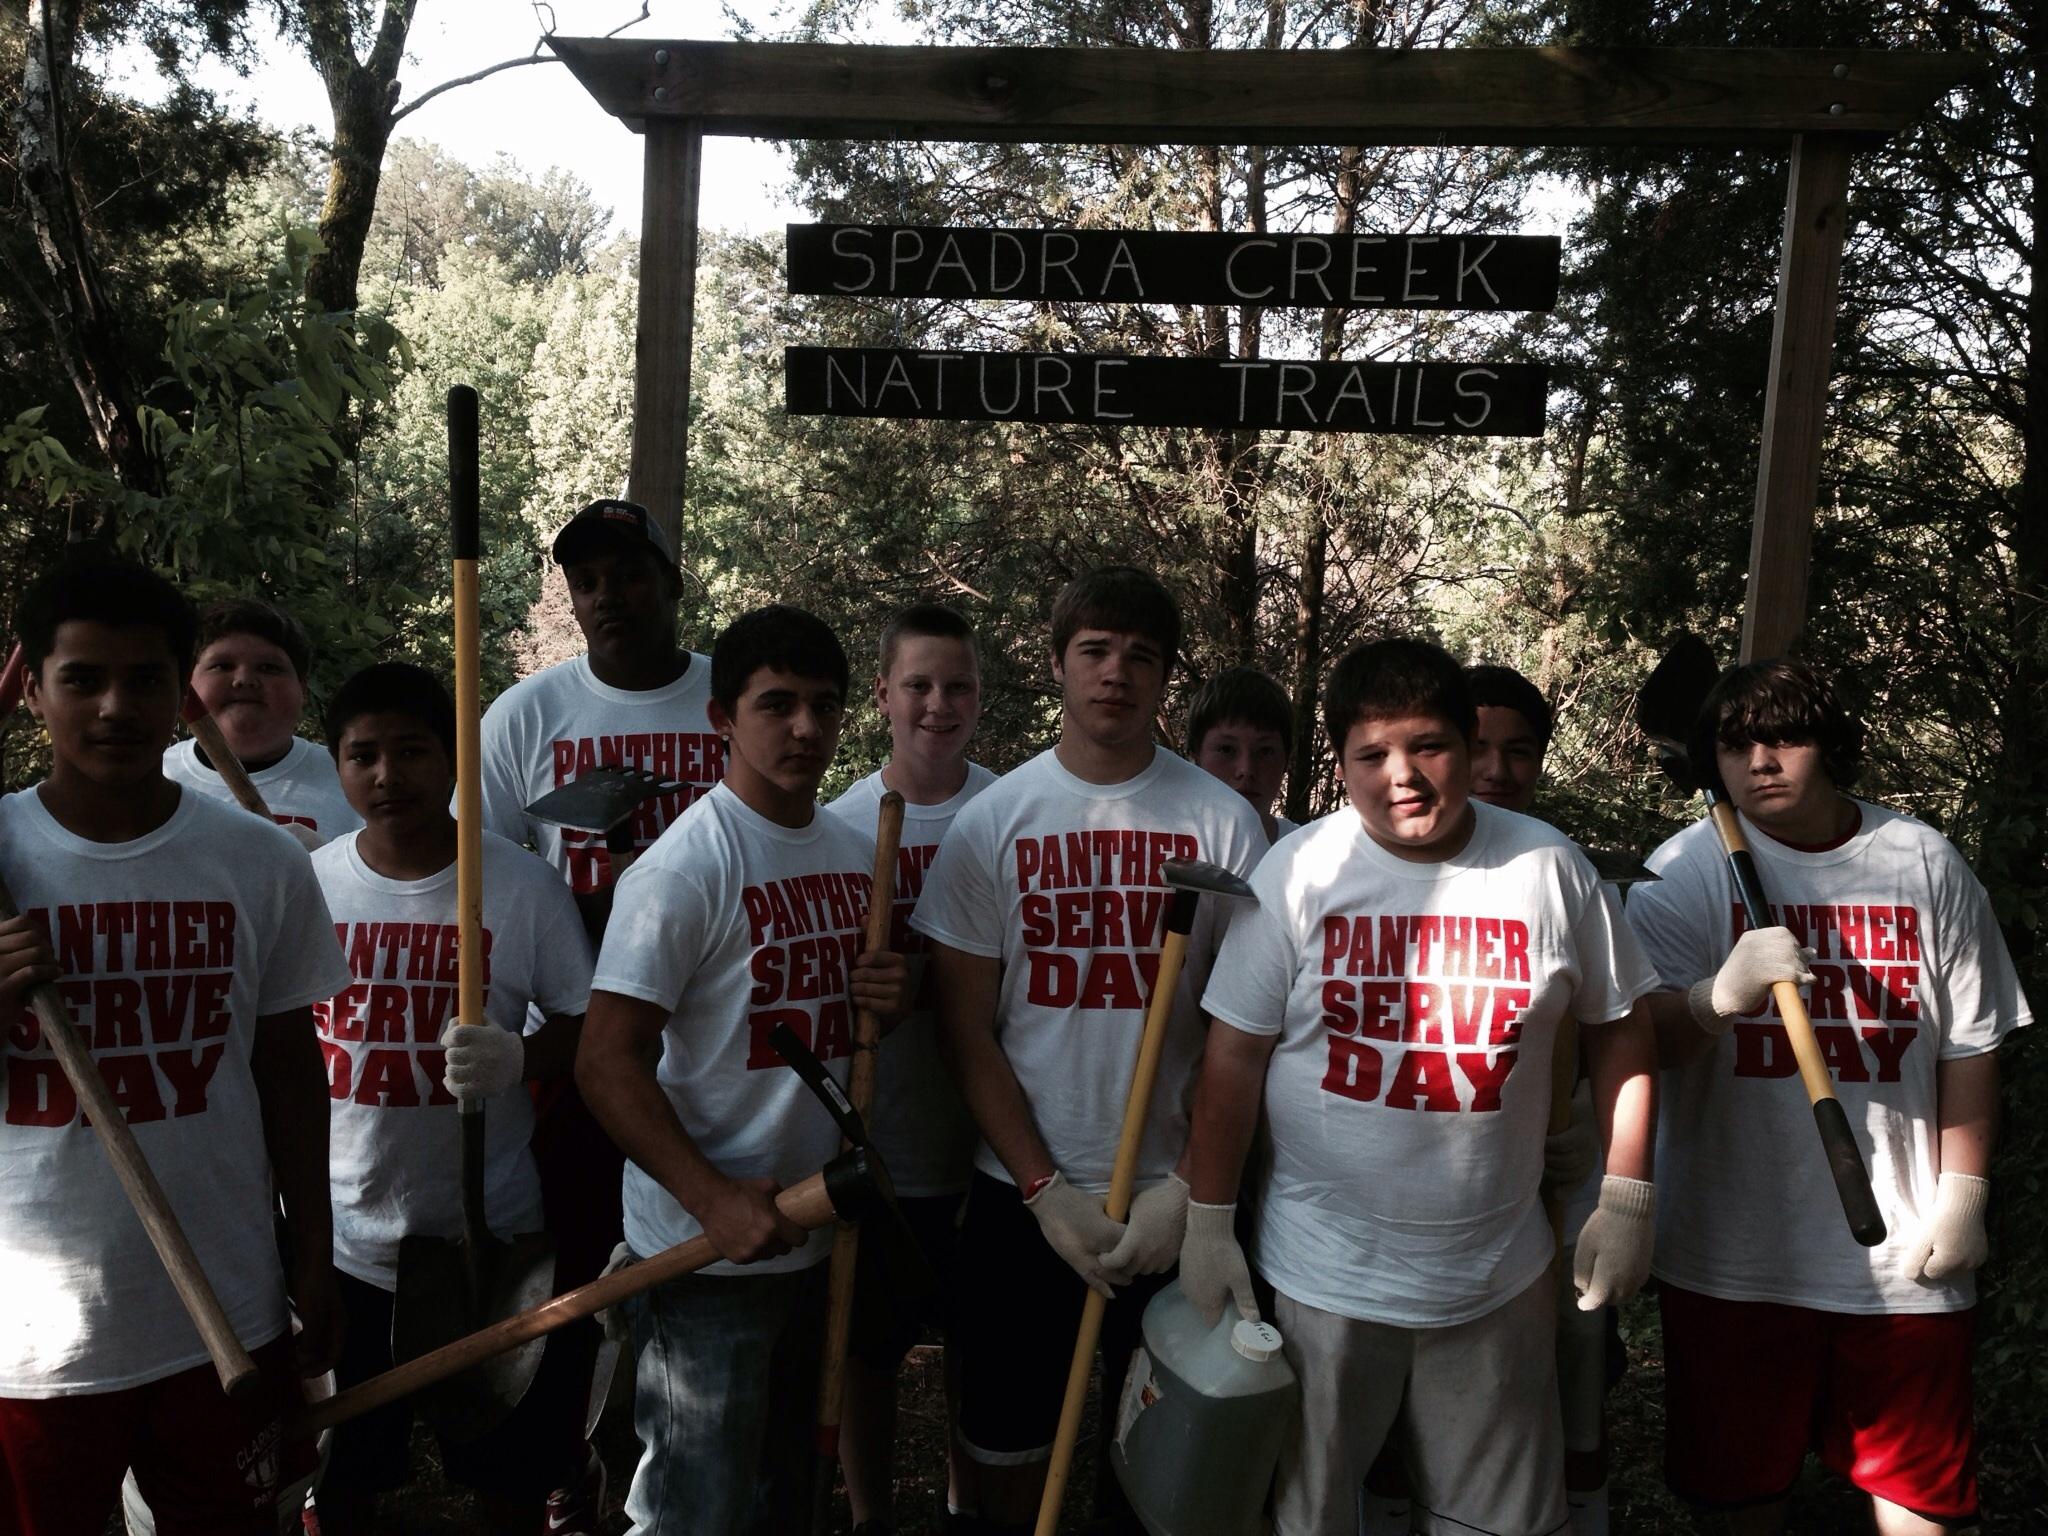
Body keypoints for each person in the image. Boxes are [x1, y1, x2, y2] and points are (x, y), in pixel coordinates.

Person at [1176, 637, 1661, 1536]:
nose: (1403, 777)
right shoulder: (1299, 874)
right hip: (1322, 1278)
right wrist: (1208, 1223)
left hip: (1497, 1278)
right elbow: (1233, 1057)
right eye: (1372, 756)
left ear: (1469, 744)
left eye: (1428, 747)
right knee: (1311, 1516)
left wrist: (1626, 1193)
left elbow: (1621, 1025)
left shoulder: (1550, 871)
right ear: (1343, 762)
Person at [1624, 658, 2030, 1536]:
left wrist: (1964, 1193)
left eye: (1784, 738)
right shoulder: (1686, 870)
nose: (1761, 762)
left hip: (1902, 1253)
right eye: (1736, 746)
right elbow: (1635, 1041)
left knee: (1921, 1503)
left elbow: (1971, 1039)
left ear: (1831, 744)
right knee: (1739, 1498)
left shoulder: (1922, 861)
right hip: (1732, 1253)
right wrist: (1710, 1000)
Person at [0, 552, 349, 1534]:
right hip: (34, 1340)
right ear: (31, 689)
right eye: (82, 679)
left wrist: (312, 1258)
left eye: (146, 679)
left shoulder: (259, 859)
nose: (116, 706)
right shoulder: (2, 856)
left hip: (225, 1308)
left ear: (182, 693)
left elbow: (290, 1072)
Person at [912, 566, 1267, 1533]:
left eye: (1141, 657)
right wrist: (1042, 1190)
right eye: (1096, 651)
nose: (1116, 673)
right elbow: (964, 1027)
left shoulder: (1224, 824)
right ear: (1059, 662)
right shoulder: (996, 822)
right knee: (1008, 1451)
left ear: (1165, 680)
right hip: (1023, 1199)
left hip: (1175, 1201)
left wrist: (1191, 1189)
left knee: (1160, 1462)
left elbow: (1249, 1041)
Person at [575, 604, 910, 1536]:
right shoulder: (686, 870)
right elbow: (606, 1064)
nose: (804, 727)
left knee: (784, 1496)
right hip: (705, 1258)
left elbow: (860, 1017)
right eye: (776, 705)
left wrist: (897, 991)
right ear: (723, 718)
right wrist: (711, 1197)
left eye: (824, 705)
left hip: (818, 1237)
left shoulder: (853, 852)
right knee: (696, 1508)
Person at [477, 497, 727, 1518]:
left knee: (691, 1273)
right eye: (586, 580)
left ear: (670, 581)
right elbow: (481, 875)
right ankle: (552, 1477)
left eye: (627, 573)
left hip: (709, 1047)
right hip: (578, 1051)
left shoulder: (727, 700)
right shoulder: (526, 719)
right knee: (575, 1274)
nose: (607, 596)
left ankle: (650, 1471)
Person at [305, 663, 596, 1533]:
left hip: (489, 1234)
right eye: (363, 756)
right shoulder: (311, 886)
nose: (388, 775)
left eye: (412, 750)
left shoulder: (516, 885)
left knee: (507, 1468)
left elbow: (593, 1026)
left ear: (453, 760)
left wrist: (519, 1057)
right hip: (350, 1231)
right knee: (347, 1466)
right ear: (338, 767)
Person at [824, 602, 996, 1536]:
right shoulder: (842, 827)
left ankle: (967, 1507)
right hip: (880, 1142)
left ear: (982, 696)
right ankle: (870, 1516)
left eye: (958, 685)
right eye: (919, 685)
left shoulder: (1013, 813)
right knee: (869, 1348)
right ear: (884, 693)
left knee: (977, 1343)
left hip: (987, 1144)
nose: (939, 704)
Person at [162, 598, 361, 844]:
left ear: (302, 689)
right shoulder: (155, 776)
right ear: (187, 687)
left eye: (269, 668)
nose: (244, 679)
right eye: (222, 666)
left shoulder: (352, 778)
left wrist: (327, 868)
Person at [1186, 665, 1299, 843]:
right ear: (1195, 756)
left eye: (1265, 751)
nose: (1246, 770)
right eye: (1226, 749)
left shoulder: (1309, 855)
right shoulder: (1172, 850)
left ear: (1286, 760)